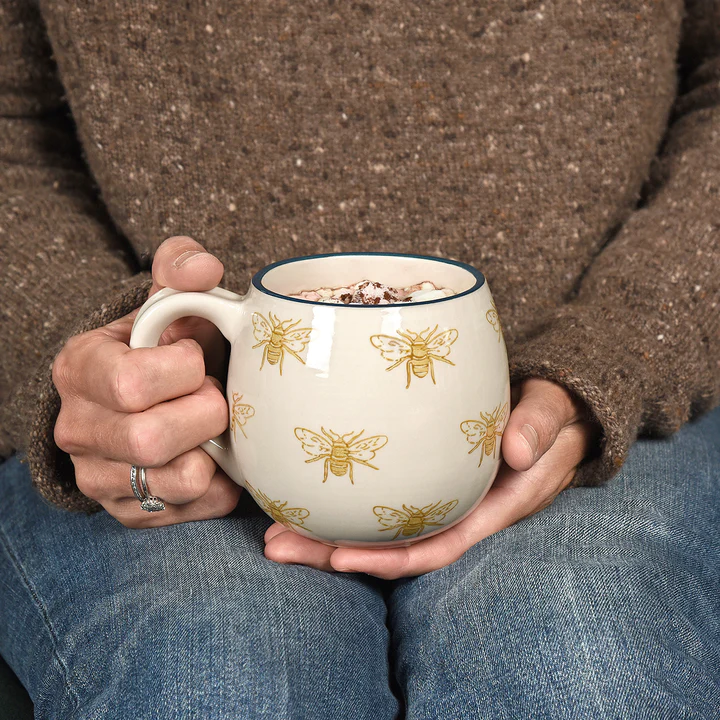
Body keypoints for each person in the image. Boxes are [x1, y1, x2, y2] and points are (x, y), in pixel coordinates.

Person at [1, 0, 718, 717]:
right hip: (172, 439)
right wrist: (100, 367)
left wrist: (620, 350)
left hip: (599, 411)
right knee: (215, 670)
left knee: (579, 647)